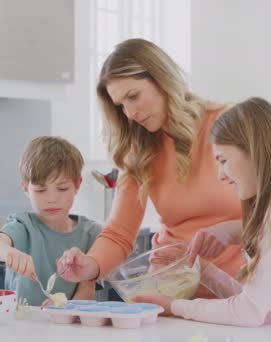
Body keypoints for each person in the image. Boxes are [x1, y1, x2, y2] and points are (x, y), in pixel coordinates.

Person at [134, 97, 271, 328]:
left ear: (254, 151)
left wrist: (175, 306)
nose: (221, 175)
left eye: (223, 160)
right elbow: (254, 303)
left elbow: (248, 312)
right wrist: (201, 268)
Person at [57, 39, 244, 296]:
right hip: (172, 293)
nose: (131, 113)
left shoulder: (230, 123)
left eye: (134, 96)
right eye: (121, 106)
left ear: (161, 78)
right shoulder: (139, 150)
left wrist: (231, 231)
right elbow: (119, 233)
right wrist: (90, 265)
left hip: (241, 295)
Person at [0, 136, 102, 306]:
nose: (51, 199)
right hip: (22, 327)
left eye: (62, 188)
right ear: (26, 188)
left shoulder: (91, 234)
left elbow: (87, 291)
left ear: (77, 185)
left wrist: (64, 310)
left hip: (71, 327)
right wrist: (8, 253)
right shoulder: (23, 226)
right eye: (41, 190)